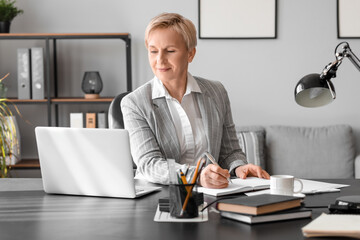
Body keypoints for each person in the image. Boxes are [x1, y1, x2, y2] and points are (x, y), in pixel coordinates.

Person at [121, 12, 270, 189]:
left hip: (211, 194)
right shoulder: (134, 103)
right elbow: (149, 164)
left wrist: (239, 167)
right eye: (153, 51)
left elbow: (230, 152)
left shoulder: (217, 92)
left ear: (190, 54)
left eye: (170, 51)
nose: (159, 59)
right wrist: (197, 176)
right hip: (160, 195)